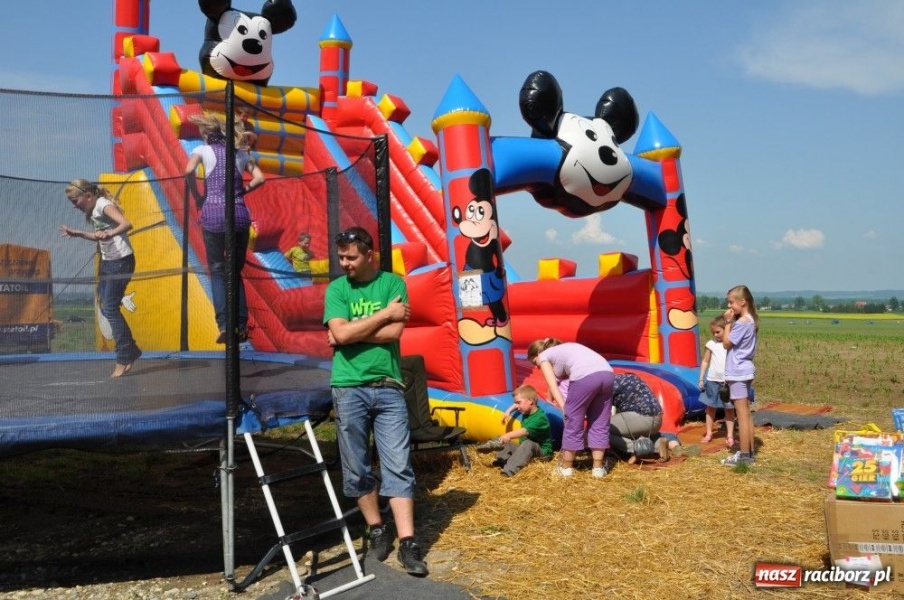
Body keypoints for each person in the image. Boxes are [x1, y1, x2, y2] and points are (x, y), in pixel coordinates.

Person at [322, 226, 428, 577]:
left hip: (388, 387)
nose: (344, 263)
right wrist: (382, 316)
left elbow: (392, 335)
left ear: (369, 255)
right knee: (356, 466)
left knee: (398, 463)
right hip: (348, 387)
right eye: (341, 257)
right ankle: (377, 528)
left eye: (350, 257)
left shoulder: (393, 283)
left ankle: (409, 541)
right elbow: (342, 332)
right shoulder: (337, 289)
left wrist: (349, 334)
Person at [184, 112, 265, 344]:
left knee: (218, 270)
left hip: (213, 216)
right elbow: (260, 178)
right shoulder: (240, 154)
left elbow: (189, 171)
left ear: (207, 134)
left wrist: (198, 195)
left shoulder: (201, 151)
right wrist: (242, 192)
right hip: (239, 216)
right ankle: (240, 324)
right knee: (235, 272)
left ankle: (224, 324)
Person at [59, 179, 141, 378]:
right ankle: (131, 350)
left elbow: (126, 224)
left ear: (88, 196)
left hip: (120, 262)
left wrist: (110, 232)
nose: (74, 205)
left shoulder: (104, 205)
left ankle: (123, 357)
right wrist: (78, 233)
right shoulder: (95, 209)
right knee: (106, 306)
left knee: (110, 308)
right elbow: (99, 235)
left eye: (75, 200)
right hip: (109, 262)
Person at [527, 338, 614, 478]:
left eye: (534, 362)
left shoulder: (544, 356)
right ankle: (598, 468)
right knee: (600, 421)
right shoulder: (564, 351)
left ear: (537, 354)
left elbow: (553, 386)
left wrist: (564, 408)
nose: (537, 367)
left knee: (573, 422)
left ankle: (566, 467)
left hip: (585, 376)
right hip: (607, 374)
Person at [721, 285, 759, 466]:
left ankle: (744, 456)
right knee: (746, 414)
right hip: (745, 369)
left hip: (737, 371)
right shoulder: (750, 320)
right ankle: (749, 453)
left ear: (743, 302)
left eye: (731, 302)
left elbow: (727, 343)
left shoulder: (742, 322)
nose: (729, 306)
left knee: (741, 415)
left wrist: (727, 322)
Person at [488, 385, 553, 476]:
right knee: (499, 438)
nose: (517, 407)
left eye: (519, 403)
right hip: (525, 450)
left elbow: (524, 431)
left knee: (528, 443)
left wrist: (508, 435)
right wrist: (508, 411)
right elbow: (517, 404)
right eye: (516, 404)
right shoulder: (527, 409)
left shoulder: (540, 418)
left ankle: (509, 470)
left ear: (530, 401)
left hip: (541, 453)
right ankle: (504, 461)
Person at [609, 373, 669, 463]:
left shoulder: (610, 384)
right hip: (657, 419)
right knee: (627, 428)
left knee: (601, 428)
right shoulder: (630, 379)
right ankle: (657, 445)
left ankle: (635, 449)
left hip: (641, 418)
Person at [698, 315, 736, 447]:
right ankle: (709, 433)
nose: (715, 335)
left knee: (729, 409)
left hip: (727, 382)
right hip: (712, 380)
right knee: (710, 407)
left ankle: (730, 435)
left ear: (727, 330)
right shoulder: (711, 344)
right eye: (713, 332)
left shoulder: (731, 344)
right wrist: (701, 378)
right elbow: (705, 361)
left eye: (718, 332)